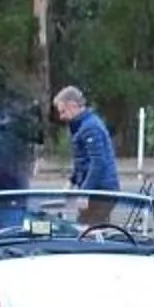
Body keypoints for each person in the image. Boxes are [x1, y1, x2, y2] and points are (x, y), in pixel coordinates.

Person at [54, 84, 118, 225]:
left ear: (73, 106)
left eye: (63, 111)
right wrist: (72, 182)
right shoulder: (81, 127)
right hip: (97, 189)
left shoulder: (90, 127)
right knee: (85, 227)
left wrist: (85, 192)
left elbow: (98, 162)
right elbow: (82, 162)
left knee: (87, 229)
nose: (61, 117)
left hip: (102, 190)